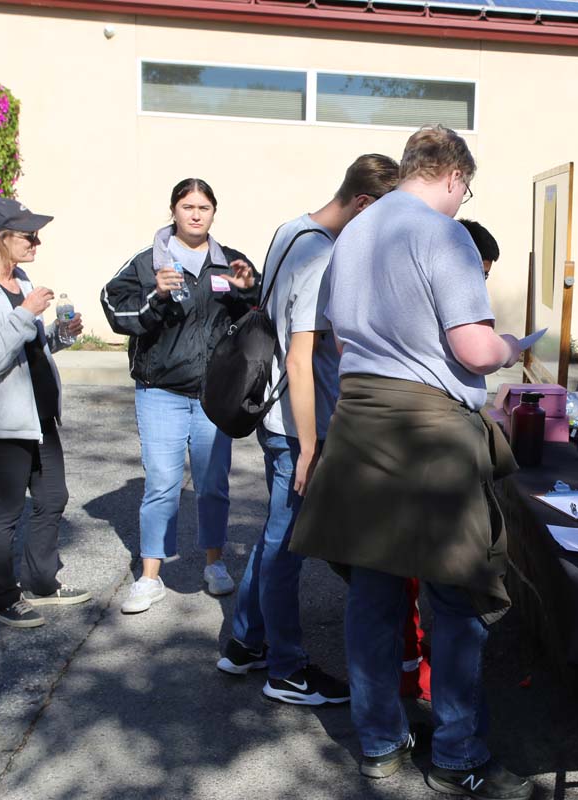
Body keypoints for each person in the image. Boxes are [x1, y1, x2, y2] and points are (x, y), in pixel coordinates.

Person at [289, 125, 532, 800]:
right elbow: (474, 349)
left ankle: (377, 745)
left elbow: (339, 339)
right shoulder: (441, 231)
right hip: (429, 432)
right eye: (467, 190)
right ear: (454, 177)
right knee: (452, 597)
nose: (462, 201)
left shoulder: (357, 232)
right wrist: (511, 344)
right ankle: (455, 754)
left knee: (372, 597)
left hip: (362, 426)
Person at [216, 154, 400, 706]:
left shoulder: (292, 228)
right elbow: (300, 359)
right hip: (297, 422)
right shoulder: (322, 256)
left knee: (277, 535)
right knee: (287, 545)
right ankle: (287, 671)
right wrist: (311, 444)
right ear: (364, 205)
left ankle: (247, 642)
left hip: (280, 415)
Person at [101, 178, 260, 614]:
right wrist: (157, 295)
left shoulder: (231, 263)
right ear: (173, 210)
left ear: (213, 213)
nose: (195, 214)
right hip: (161, 394)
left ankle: (215, 563)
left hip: (214, 396)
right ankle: (150, 578)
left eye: (204, 207)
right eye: (187, 206)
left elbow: (260, 314)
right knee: (162, 485)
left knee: (213, 485)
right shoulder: (146, 262)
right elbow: (115, 309)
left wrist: (248, 288)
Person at [0, 197, 91, 628]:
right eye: (28, 235)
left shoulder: (21, 280)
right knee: (5, 514)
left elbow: (31, 347)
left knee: (52, 499)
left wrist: (59, 335)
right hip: (0, 422)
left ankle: (42, 583)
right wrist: (26, 314)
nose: (37, 241)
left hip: (38, 415)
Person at [398, 216, 503, 705]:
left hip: (403, 443)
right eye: (478, 272)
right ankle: (423, 687)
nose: (479, 284)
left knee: (401, 584)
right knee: (435, 587)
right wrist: (501, 348)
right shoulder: (441, 294)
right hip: (428, 450)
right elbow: (477, 354)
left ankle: (409, 684)